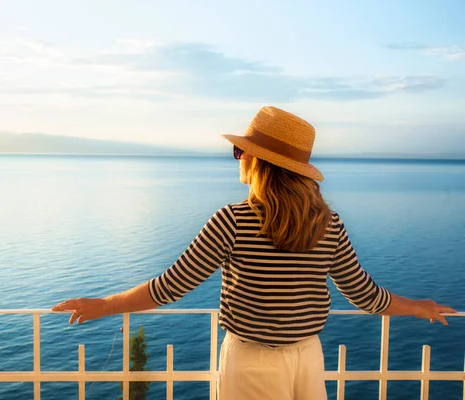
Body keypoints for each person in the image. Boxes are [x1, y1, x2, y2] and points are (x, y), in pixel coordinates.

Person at [51, 106, 456, 400]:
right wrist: (416, 307)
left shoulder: (233, 220)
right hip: (308, 357)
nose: (238, 158)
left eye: (241, 152)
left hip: (252, 362)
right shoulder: (326, 223)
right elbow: (364, 295)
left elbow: (170, 287)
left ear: (261, 163)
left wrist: (104, 305)